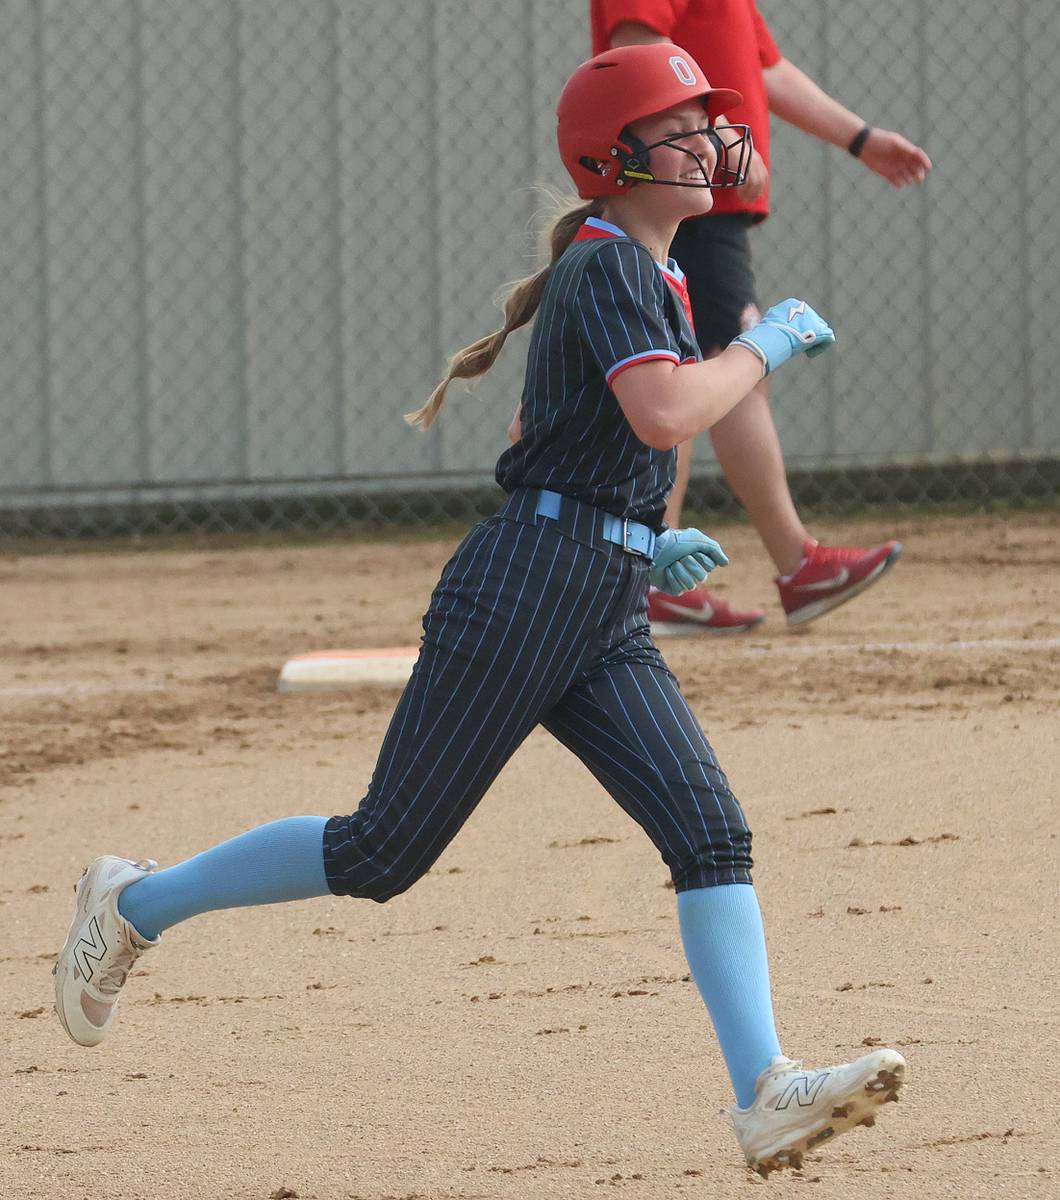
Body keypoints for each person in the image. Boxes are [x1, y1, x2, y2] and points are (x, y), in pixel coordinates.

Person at [53, 44, 904, 1178]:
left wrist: (640, 543)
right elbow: (660, 413)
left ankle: (765, 1092)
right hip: (523, 590)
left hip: (594, 596)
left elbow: (565, 437)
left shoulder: (650, 271)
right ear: (613, 157)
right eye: (679, 126)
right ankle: (138, 902)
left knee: (711, 833)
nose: (707, 141)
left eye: (709, 122)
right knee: (382, 851)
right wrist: (762, 345)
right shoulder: (611, 265)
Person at [591, 0, 933, 635]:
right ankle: (784, 565)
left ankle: (656, 575)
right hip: (683, 195)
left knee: (705, 369)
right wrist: (714, 145)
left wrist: (859, 139)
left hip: (702, 199)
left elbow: (765, 68)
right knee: (716, 369)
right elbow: (638, 58)